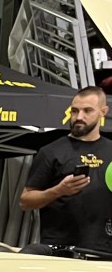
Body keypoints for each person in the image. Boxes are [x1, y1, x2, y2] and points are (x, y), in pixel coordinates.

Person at [19, 85, 112, 251]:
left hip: (103, 251)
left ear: (103, 111)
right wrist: (58, 191)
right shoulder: (51, 151)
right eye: (74, 111)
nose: (79, 117)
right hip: (59, 249)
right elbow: (25, 201)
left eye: (87, 111)